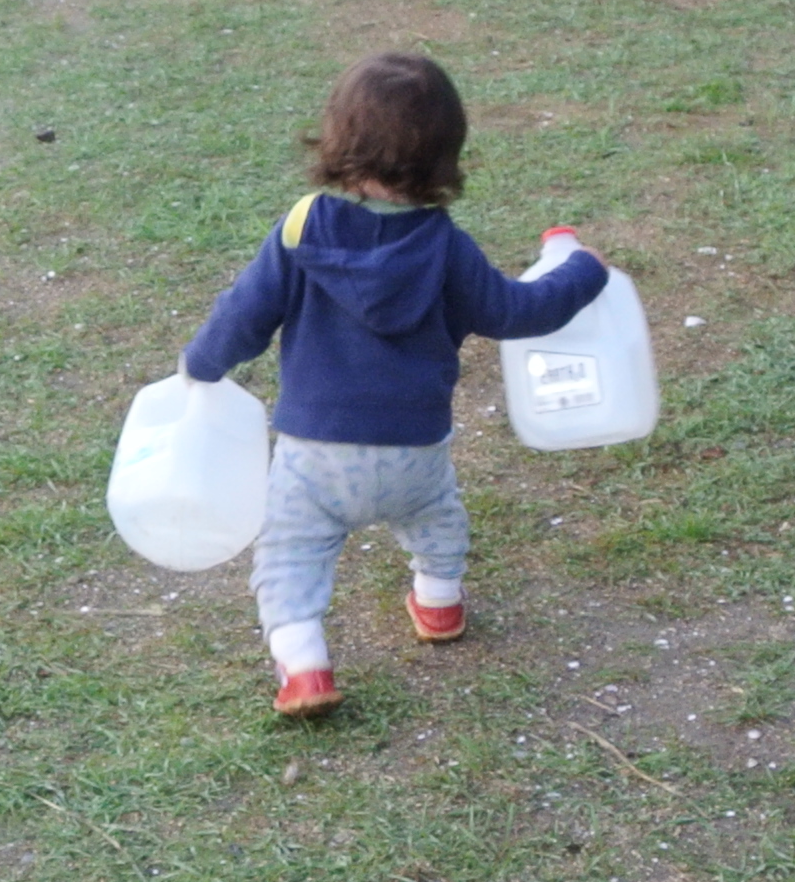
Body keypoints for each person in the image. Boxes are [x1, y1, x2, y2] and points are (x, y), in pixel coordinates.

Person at [181, 52, 609, 717]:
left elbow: (243, 317)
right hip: (414, 449)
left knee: (290, 555)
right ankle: (438, 603)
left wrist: (198, 366)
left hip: (315, 455)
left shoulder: (300, 231)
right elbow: (517, 312)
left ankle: (305, 668)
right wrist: (581, 271)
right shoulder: (445, 248)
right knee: (436, 516)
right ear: (445, 156)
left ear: (336, 140)